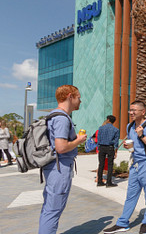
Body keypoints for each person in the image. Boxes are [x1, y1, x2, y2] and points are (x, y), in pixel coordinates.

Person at [38, 85, 87, 234]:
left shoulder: (53, 115)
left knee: (49, 208)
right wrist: (79, 141)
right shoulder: (62, 118)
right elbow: (61, 147)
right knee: (54, 209)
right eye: (79, 97)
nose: (80, 101)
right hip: (59, 167)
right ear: (70, 96)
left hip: (53, 166)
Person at [104, 101, 146, 234]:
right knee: (130, 195)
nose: (131, 113)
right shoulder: (129, 126)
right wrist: (129, 145)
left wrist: (142, 136)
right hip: (135, 164)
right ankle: (123, 223)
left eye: (134, 110)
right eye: (130, 110)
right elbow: (134, 143)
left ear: (143, 112)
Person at [96, 115, 120, 187]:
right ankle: (109, 182)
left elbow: (99, 138)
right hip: (110, 147)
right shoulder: (116, 130)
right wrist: (116, 151)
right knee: (110, 165)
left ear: (108, 119)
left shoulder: (101, 128)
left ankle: (99, 181)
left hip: (102, 147)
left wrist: (99, 147)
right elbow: (116, 142)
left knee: (101, 164)